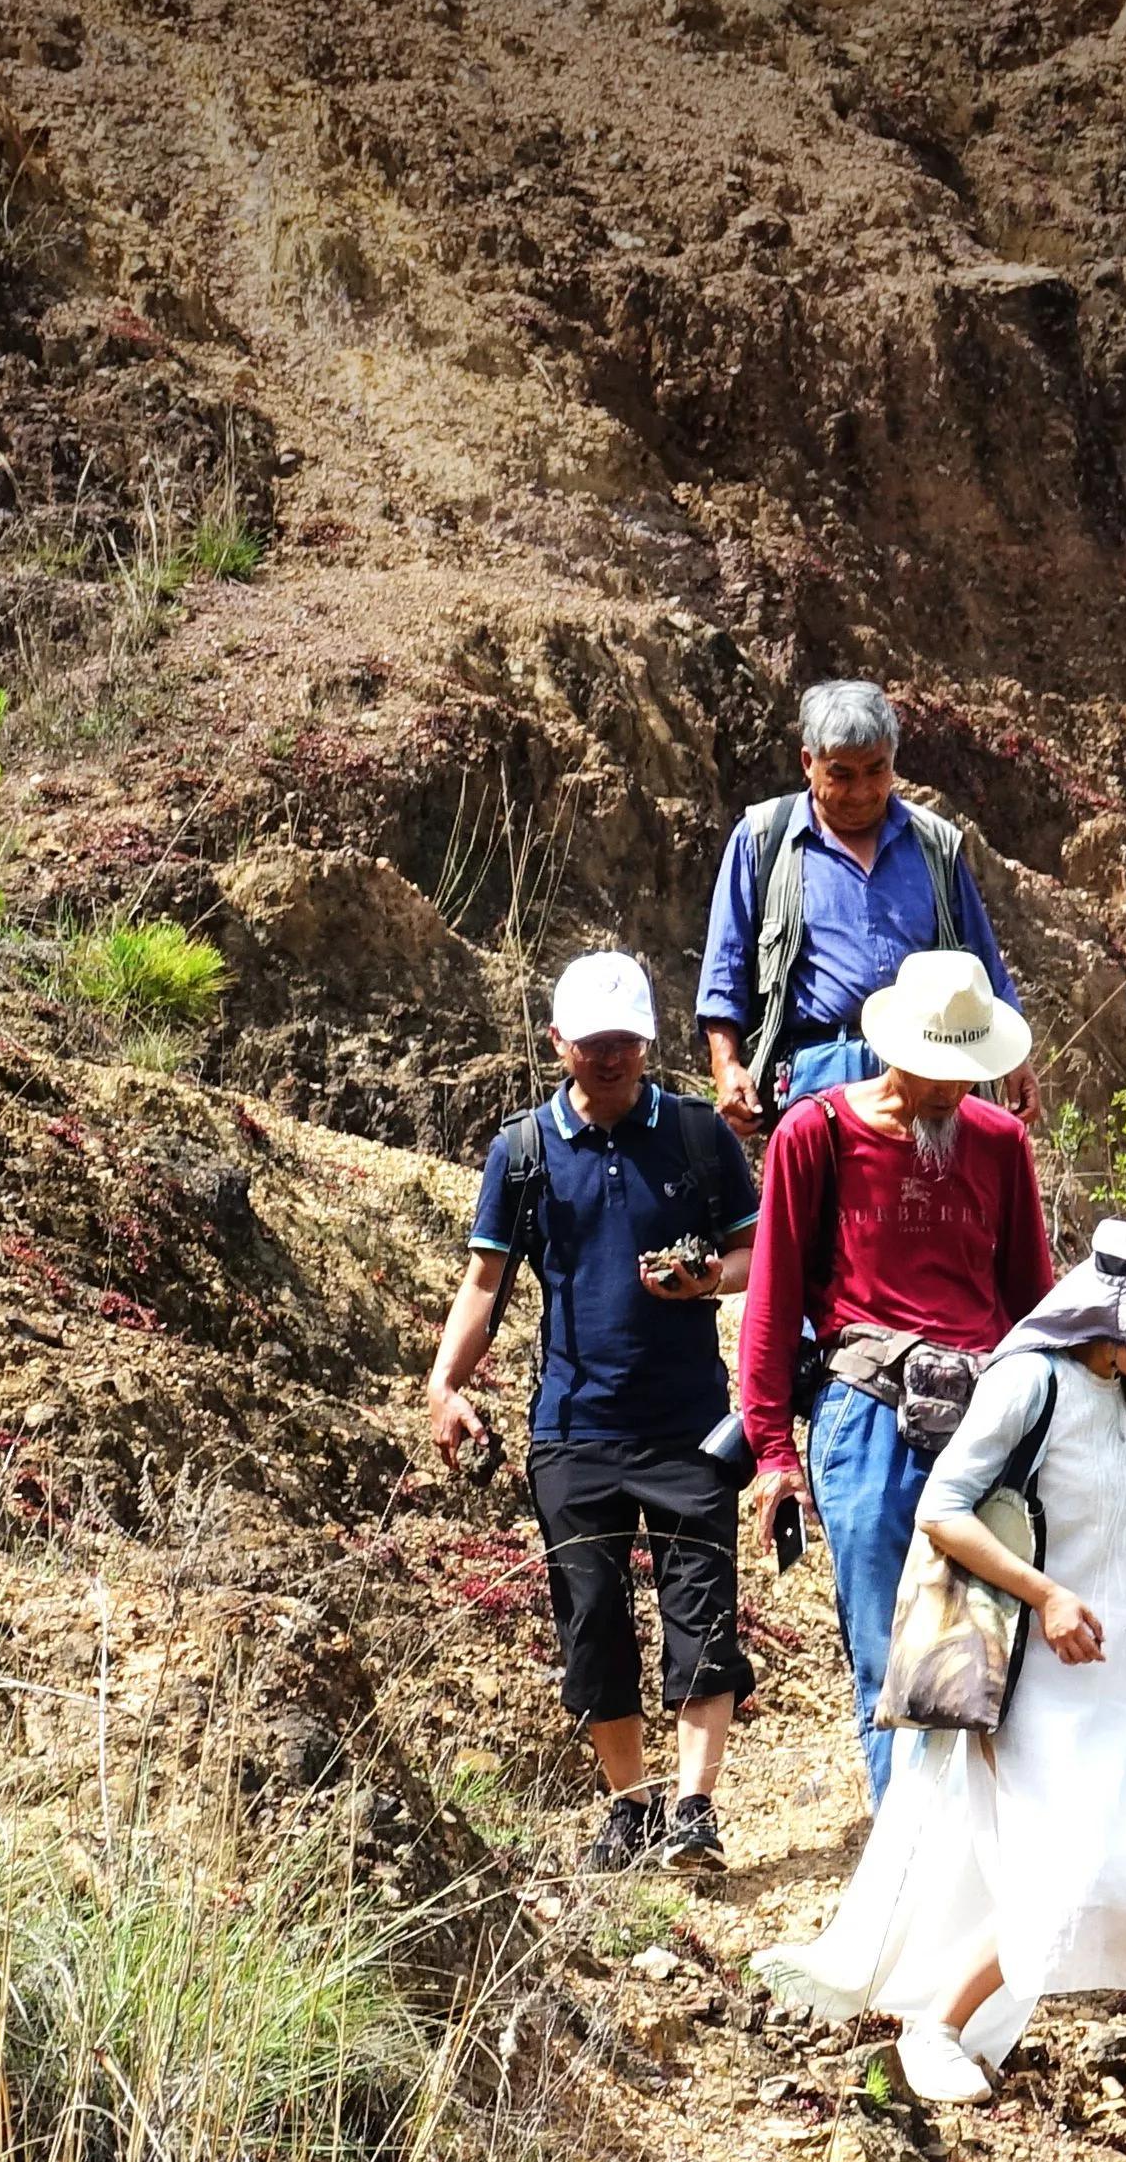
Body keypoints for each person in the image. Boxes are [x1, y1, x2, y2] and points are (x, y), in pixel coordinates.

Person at [759, 1220, 1126, 2162]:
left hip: (1121, 1690)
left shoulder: (1125, 1395)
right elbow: (946, 1512)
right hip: (1037, 1690)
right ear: (1106, 1313)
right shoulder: (1029, 1383)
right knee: (1067, 1879)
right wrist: (1046, 1597)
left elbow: (1087, 1524)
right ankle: (936, 2031)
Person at [423, 950, 760, 1870]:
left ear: (648, 1043)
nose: (610, 1059)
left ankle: (695, 1807)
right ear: (559, 1043)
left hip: (690, 1423)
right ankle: (630, 1805)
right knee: (592, 1616)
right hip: (572, 1428)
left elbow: (754, 1260)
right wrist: (444, 1386)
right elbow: (483, 1282)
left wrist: (703, 1283)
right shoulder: (523, 1153)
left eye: (626, 1043)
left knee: (701, 1610)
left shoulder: (698, 1137)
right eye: (592, 1044)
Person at [735, 942, 1049, 1801]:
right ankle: (904, 1874)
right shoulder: (817, 1133)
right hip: (865, 1409)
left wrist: (1055, 1424)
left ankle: (976, 1875)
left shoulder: (999, 1144)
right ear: (892, 1048)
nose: (948, 1090)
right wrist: (771, 1454)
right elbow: (773, 1296)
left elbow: (1032, 1304)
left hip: (985, 1415)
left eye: (963, 1073)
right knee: (886, 1653)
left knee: (980, 1653)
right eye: (931, 1071)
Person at [698, 680, 1027, 1129]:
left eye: (876, 770)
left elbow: (981, 964)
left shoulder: (933, 845)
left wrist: (1014, 1060)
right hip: (818, 1076)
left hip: (929, 1072)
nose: (861, 791)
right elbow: (725, 966)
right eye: (842, 775)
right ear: (807, 763)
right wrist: (726, 1063)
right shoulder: (762, 840)